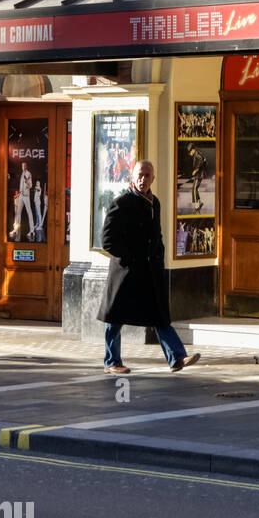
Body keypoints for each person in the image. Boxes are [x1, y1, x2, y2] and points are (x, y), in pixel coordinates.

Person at [97, 160, 201, 376]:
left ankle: (177, 357)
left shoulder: (155, 203)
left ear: (153, 178)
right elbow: (107, 240)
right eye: (140, 175)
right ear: (132, 177)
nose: (143, 179)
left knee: (158, 314)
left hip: (149, 271)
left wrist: (158, 257)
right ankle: (111, 361)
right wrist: (131, 257)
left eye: (147, 175)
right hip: (126, 272)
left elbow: (157, 235)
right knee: (115, 317)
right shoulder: (122, 203)